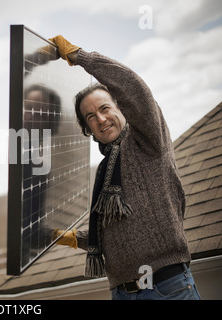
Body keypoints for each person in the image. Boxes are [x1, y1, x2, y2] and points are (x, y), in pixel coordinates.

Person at [50, 35, 201, 300]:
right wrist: (74, 238)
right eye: (90, 117)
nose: (101, 118)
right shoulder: (105, 171)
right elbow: (113, 236)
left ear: (120, 106)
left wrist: (82, 56)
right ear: (89, 130)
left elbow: (135, 88)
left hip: (167, 288)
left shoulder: (148, 140)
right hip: (122, 293)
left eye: (105, 108)